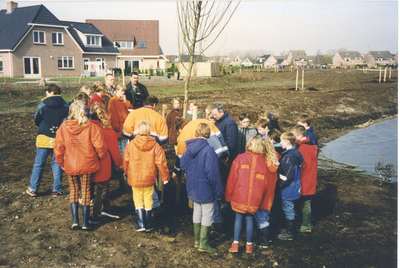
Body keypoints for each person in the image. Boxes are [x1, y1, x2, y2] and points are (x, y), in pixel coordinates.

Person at [54, 101, 107, 230]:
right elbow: (100, 146)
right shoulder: (90, 126)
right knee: (86, 190)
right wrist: (100, 157)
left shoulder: (63, 127)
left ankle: (75, 221)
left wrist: (61, 162)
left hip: (71, 163)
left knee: (74, 190)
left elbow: (58, 148)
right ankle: (85, 222)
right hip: (87, 163)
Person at [180, 123, 224, 253]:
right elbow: (213, 174)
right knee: (207, 214)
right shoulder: (209, 150)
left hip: (192, 186)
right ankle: (204, 243)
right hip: (205, 188)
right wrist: (219, 192)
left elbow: (182, 165)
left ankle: (197, 240)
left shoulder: (188, 149)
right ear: (208, 134)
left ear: (196, 133)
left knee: (197, 211)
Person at [122, 95, 168, 211]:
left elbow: (125, 133)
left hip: (135, 149)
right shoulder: (158, 117)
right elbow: (164, 138)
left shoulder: (133, 114)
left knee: (138, 177)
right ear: (154, 105)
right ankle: (154, 203)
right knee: (151, 176)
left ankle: (140, 207)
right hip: (152, 149)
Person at [122, 121, 170, 232]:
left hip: (135, 177)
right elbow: (162, 162)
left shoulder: (131, 145)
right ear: (149, 131)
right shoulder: (156, 146)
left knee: (137, 199)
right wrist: (165, 177)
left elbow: (125, 161)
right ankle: (148, 224)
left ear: (138, 130)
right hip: (149, 177)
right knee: (148, 198)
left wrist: (127, 173)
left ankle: (141, 224)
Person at [225, 136, 268, 254]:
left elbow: (232, 179)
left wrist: (228, 195)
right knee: (250, 219)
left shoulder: (240, 158)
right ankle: (249, 246)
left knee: (238, 219)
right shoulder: (263, 162)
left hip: (239, 196)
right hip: (255, 198)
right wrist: (262, 199)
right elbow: (265, 184)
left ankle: (235, 244)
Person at [26, 84, 69, 197]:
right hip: (58, 138)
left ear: (50, 92)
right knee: (57, 163)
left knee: (39, 163)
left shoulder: (43, 105)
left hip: (43, 137)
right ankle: (57, 189)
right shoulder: (65, 105)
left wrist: (42, 127)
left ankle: (33, 188)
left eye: (46, 92)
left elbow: (36, 118)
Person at [89, 103, 122, 224]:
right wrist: (118, 163)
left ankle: (104, 207)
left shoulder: (86, 126)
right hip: (103, 162)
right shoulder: (107, 130)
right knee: (103, 187)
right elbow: (114, 149)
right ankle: (95, 214)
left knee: (89, 186)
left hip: (87, 161)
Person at [276, 132, 304, 241]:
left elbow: (288, 176)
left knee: (288, 209)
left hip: (288, 188)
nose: (280, 143)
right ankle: (291, 228)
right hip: (296, 185)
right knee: (293, 207)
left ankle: (289, 233)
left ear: (287, 142)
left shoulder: (287, 158)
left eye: (281, 141)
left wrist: (280, 186)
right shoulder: (297, 153)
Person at [253, 139, 279, 249]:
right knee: (264, 216)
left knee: (261, 219)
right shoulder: (272, 161)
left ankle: (264, 241)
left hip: (262, 195)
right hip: (270, 194)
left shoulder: (262, 163)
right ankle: (266, 237)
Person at [291, 125, 318, 233]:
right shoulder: (311, 145)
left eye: (294, 135)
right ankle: (304, 222)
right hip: (310, 178)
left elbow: (302, 166)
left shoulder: (302, 148)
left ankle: (306, 225)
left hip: (304, 178)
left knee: (305, 202)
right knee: (305, 201)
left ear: (300, 135)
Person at [108, 84, 133, 158]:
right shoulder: (113, 100)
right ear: (117, 91)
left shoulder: (124, 100)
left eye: (124, 91)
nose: (123, 93)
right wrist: (115, 126)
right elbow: (112, 114)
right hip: (118, 125)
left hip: (124, 124)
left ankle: (124, 159)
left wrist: (125, 101)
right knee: (119, 144)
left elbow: (130, 109)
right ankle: (120, 160)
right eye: (121, 91)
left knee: (125, 142)